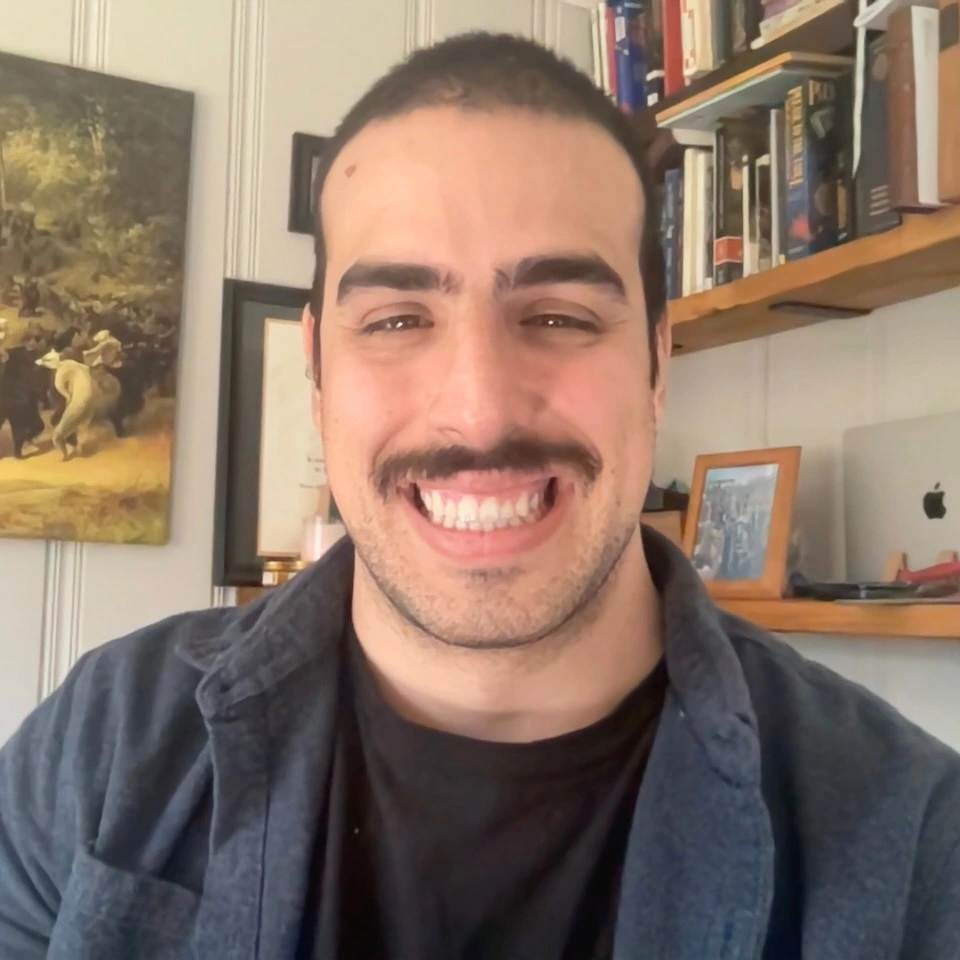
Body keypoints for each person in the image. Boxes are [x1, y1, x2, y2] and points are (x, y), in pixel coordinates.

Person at [0, 32, 957, 960]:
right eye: (397, 319)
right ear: (317, 367)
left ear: (658, 363)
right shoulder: (105, 743)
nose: (479, 410)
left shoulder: (910, 837)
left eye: (558, 316)